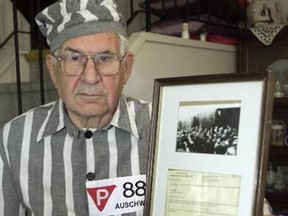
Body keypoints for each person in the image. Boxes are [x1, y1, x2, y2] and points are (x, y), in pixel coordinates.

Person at [0, 0, 279, 215]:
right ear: (52, 69)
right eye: (74, 58)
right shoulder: (16, 138)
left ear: (126, 68)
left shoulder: (169, 127)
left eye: (105, 58)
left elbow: (244, 202)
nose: (90, 76)